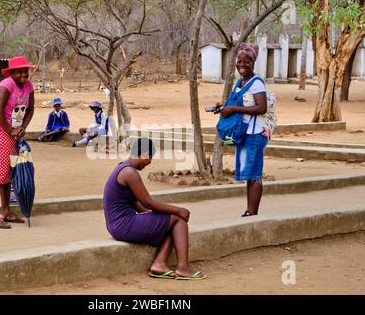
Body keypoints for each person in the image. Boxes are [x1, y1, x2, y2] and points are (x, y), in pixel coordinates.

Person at [103, 137, 206, 280]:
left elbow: (136, 204)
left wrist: (156, 217)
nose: (149, 162)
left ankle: (159, 265)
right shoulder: (129, 173)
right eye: (150, 158)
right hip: (124, 225)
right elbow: (147, 203)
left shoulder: (122, 168)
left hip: (117, 226)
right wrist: (177, 210)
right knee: (179, 218)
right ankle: (182, 268)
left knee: (171, 222)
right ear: (144, 154)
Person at [214, 43, 268, 217]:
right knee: (249, 173)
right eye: (240, 61)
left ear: (253, 62)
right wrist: (223, 107)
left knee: (254, 174)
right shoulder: (240, 82)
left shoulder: (256, 83)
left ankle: (252, 213)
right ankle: (249, 211)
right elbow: (237, 103)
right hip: (243, 133)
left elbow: (261, 108)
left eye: (247, 62)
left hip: (255, 134)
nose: (242, 65)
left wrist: (234, 110)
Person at [0, 56, 36, 229]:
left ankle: (5, 211)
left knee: (9, 173)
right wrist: (10, 130)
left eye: (26, 70)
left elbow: (30, 109)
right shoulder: (6, 85)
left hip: (14, 133)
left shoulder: (29, 86)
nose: (24, 73)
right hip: (0, 131)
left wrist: (22, 128)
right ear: (11, 72)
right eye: (20, 71)